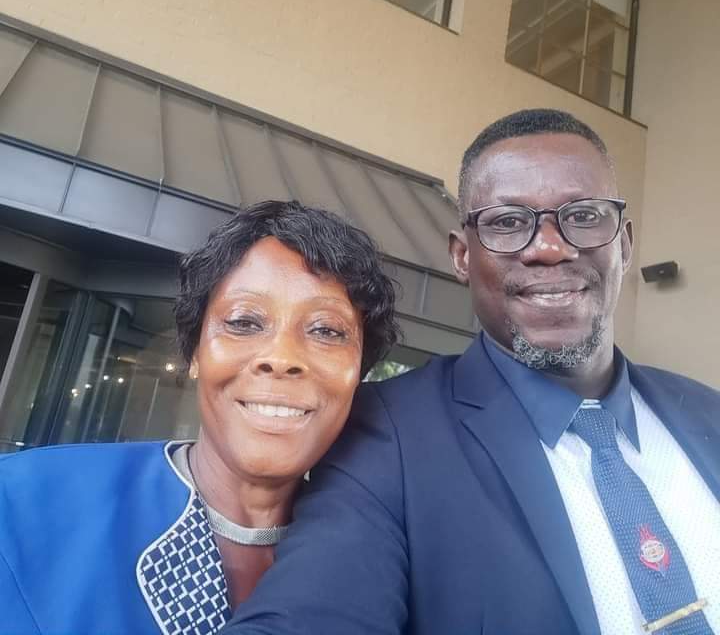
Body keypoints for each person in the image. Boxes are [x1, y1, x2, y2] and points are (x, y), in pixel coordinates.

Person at [223, 109, 720, 635]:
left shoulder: (709, 414)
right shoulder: (386, 437)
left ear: (623, 243)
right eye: (507, 222)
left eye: (583, 215)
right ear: (462, 257)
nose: (550, 248)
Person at [0, 200, 397, 635]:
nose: (282, 358)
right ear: (194, 354)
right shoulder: (22, 506)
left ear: (359, 372)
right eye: (244, 322)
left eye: (326, 331)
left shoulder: (378, 558)